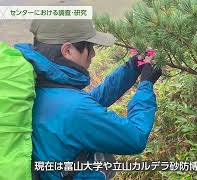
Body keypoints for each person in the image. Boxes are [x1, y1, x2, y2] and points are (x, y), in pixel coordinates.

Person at [14, 19, 161, 179]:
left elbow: (90, 102)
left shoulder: (39, 87)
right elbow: (135, 137)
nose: (93, 53)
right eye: (89, 47)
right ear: (68, 50)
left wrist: (133, 67)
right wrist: (146, 86)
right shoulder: (75, 108)